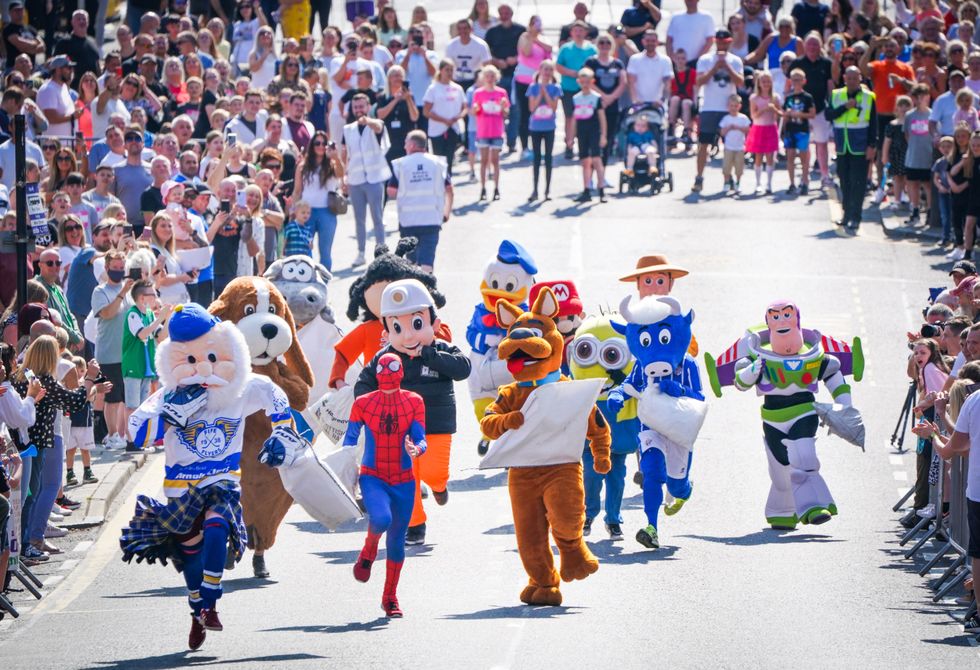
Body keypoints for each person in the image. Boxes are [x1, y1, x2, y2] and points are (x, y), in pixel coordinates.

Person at [354, 279, 471, 548]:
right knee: (410, 478)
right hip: (400, 429)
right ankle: (415, 525)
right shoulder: (385, 359)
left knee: (433, 473)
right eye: (397, 327)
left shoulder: (441, 349)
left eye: (417, 324)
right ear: (386, 332)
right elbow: (364, 382)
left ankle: (440, 487)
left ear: (435, 324)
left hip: (438, 425)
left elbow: (463, 369)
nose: (408, 335)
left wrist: (429, 355)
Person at [387, 130, 453, 272]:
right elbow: (449, 189)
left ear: (411, 145)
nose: (404, 147)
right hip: (432, 220)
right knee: (427, 261)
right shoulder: (438, 163)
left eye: (406, 143)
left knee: (411, 262)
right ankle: (427, 288)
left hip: (409, 221)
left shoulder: (401, 164)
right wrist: (447, 212)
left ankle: (413, 289)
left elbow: (391, 191)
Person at [91, 251, 136, 450]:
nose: (118, 271)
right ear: (107, 268)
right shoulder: (100, 291)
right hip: (109, 354)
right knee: (112, 398)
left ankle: (124, 435)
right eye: (114, 268)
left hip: (128, 354)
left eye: (121, 268)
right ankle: (111, 435)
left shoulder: (129, 291)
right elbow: (108, 314)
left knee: (127, 398)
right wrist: (121, 293)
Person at [692, 30, 745, 194]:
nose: (722, 44)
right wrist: (715, 67)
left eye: (725, 42)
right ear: (715, 42)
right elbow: (699, 81)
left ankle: (729, 180)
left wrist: (727, 66)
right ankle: (699, 177)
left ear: (730, 42)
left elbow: (740, 82)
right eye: (719, 41)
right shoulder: (705, 59)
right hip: (709, 107)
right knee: (703, 145)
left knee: (730, 145)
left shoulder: (735, 61)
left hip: (728, 109)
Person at [826, 65, 877, 234]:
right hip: (842, 146)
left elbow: (873, 124)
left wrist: (872, 145)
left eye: (855, 78)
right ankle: (846, 215)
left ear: (860, 78)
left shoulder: (869, 97)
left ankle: (856, 217)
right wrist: (844, 107)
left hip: (860, 145)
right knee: (844, 182)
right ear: (844, 78)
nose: (852, 81)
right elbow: (828, 115)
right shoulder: (836, 94)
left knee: (858, 183)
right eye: (849, 78)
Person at [343, 94, 391, 267]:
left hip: (374, 178)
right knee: (359, 219)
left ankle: (381, 254)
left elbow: (379, 127)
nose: (358, 110)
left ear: (368, 106)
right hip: (356, 180)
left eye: (361, 106)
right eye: (355, 107)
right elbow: (345, 153)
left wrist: (368, 121)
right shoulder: (348, 129)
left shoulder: (375, 125)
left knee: (377, 217)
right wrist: (344, 176)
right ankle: (361, 252)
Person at [292, 131, 344, 270]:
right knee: (304, 249)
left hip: (327, 211)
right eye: (317, 143)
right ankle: (307, 279)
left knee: (325, 251)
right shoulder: (303, 166)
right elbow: (297, 190)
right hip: (306, 211)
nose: (321, 146)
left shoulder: (332, 164)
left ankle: (323, 284)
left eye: (324, 143)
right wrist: (293, 209)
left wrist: (336, 157)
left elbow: (341, 174)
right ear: (312, 145)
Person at [790, 32, 834, 188]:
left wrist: (831, 105)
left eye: (816, 44)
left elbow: (830, 86)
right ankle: (804, 177)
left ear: (820, 46)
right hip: (801, 110)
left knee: (822, 144)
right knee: (803, 145)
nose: (812, 47)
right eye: (810, 44)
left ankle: (824, 175)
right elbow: (790, 86)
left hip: (820, 109)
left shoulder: (826, 63)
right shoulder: (797, 63)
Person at [484, 4, 525, 153]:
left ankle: (512, 141)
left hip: (516, 75)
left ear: (512, 13)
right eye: (502, 12)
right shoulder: (492, 32)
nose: (505, 15)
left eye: (507, 12)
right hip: (497, 77)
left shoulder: (521, 30)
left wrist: (516, 58)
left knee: (514, 109)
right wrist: (496, 61)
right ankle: (497, 139)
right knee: (496, 109)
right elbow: (486, 52)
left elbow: (527, 50)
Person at [556, 21, 598, 160]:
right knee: (569, 117)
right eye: (576, 31)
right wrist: (573, 73)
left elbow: (595, 67)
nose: (578, 33)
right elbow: (558, 66)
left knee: (586, 116)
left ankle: (584, 145)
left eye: (581, 30)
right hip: (569, 88)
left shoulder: (592, 49)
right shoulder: (565, 48)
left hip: (586, 90)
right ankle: (569, 144)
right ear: (571, 33)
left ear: (585, 32)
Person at [515, 16, 553, 159]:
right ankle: (525, 147)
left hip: (540, 81)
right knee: (525, 114)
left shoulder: (544, 39)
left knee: (540, 113)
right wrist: (531, 36)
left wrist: (537, 37)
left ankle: (539, 146)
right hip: (523, 81)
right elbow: (526, 52)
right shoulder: (524, 37)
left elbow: (549, 50)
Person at [423, 61, 467, 176]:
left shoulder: (458, 88)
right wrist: (443, 120)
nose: (449, 72)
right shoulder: (433, 88)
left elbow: (465, 108)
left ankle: (448, 182)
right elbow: (426, 111)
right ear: (441, 70)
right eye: (447, 70)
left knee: (449, 158)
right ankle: (439, 184)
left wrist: (457, 117)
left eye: (451, 70)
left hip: (453, 128)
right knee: (439, 158)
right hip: (437, 129)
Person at [473, 65, 509, 201]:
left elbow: (506, 113)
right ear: (483, 77)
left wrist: (503, 106)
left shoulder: (501, 93)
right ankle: (482, 188)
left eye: (492, 76)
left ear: (496, 77)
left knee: (495, 160)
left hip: (496, 130)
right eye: (487, 76)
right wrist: (476, 109)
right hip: (483, 130)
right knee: (483, 161)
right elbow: (475, 111)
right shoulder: (478, 93)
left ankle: (496, 187)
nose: (489, 79)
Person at [572, 68, 608, 203]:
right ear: (579, 82)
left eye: (588, 81)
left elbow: (602, 118)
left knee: (597, 160)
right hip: (582, 133)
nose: (585, 84)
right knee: (585, 161)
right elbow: (574, 118)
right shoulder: (576, 98)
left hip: (594, 132)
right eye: (583, 82)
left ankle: (601, 188)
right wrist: (571, 136)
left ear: (592, 82)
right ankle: (586, 189)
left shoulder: (596, 98)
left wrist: (603, 135)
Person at [527, 60, 561, 202]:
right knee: (536, 158)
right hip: (536, 127)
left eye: (549, 70)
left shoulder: (556, 88)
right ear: (540, 71)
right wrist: (540, 93)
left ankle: (547, 190)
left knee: (548, 158)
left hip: (549, 127)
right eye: (545, 69)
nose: (547, 73)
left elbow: (554, 107)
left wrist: (546, 92)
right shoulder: (533, 87)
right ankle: (535, 189)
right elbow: (532, 108)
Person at [746, 70, 781, 195]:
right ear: (759, 83)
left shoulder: (775, 97)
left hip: (771, 128)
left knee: (770, 157)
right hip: (758, 128)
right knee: (758, 157)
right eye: (763, 81)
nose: (766, 84)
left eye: (768, 81)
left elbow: (781, 114)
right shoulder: (754, 98)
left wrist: (774, 109)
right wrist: (764, 109)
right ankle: (758, 183)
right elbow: (753, 115)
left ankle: (769, 184)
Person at [904, 83, 934, 226]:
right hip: (913, 157)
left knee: (927, 185)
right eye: (919, 96)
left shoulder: (932, 114)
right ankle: (915, 209)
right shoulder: (910, 115)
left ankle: (929, 211)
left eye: (924, 96)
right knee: (912, 184)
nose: (922, 99)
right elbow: (907, 134)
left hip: (927, 156)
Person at [782, 68, 817, 194]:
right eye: (794, 79)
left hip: (802, 130)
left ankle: (805, 182)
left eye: (798, 79)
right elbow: (784, 113)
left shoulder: (807, 97)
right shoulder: (788, 97)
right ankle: (792, 183)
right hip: (790, 130)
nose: (796, 82)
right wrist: (786, 119)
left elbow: (812, 114)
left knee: (803, 158)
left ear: (804, 81)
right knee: (790, 156)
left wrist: (799, 114)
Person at [112, 127, 152, 226]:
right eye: (129, 139)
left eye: (137, 139)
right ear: (125, 145)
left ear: (143, 145)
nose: (134, 141)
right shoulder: (116, 169)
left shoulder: (152, 169)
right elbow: (111, 198)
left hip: (148, 226)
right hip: (123, 225)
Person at [53, 10, 101, 87]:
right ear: (72, 22)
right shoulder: (64, 42)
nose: (81, 21)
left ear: (88, 22)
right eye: (78, 19)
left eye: (84, 19)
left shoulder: (93, 42)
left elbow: (98, 66)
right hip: (73, 89)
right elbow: (56, 67)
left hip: (91, 89)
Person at [666, 0, 716, 68]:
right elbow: (669, 40)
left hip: (697, 64)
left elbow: (710, 41)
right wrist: (671, 58)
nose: (690, 1)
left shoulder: (707, 17)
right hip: (676, 64)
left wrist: (698, 60)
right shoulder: (675, 17)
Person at [719, 93, 752, 194]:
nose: (733, 108)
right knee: (726, 167)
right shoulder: (726, 119)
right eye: (731, 106)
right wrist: (728, 128)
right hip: (728, 147)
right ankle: (726, 183)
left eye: (735, 106)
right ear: (728, 106)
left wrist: (738, 127)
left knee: (739, 167)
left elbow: (748, 130)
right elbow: (722, 133)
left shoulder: (743, 118)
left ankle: (738, 183)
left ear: (739, 106)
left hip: (740, 148)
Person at [934, 135, 957, 248]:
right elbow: (936, 178)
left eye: (949, 146)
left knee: (955, 216)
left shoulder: (955, 161)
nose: (946, 149)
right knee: (945, 216)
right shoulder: (939, 162)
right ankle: (946, 238)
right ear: (940, 148)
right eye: (943, 147)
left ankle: (956, 238)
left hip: (954, 192)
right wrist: (940, 187)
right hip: (943, 193)